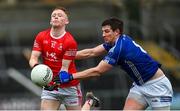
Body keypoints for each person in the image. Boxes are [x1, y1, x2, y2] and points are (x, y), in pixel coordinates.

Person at [56, 17, 173, 110]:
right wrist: (65, 56)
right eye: (103, 31)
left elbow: (97, 71)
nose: (103, 35)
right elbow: (91, 52)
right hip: (140, 86)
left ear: (117, 32)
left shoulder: (119, 48)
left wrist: (71, 76)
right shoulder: (118, 41)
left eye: (107, 31)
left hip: (157, 86)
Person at [29, 6, 82, 110]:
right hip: (50, 86)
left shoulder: (70, 41)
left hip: (69, 86)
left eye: (60, 15)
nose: (56, 17)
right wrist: (38, 69)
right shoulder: (41, 36)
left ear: (66, 21)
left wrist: (53, 83)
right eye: (54, 15)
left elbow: (64, 69)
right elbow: (33, 58)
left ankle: (90, 102)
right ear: (50, 20)